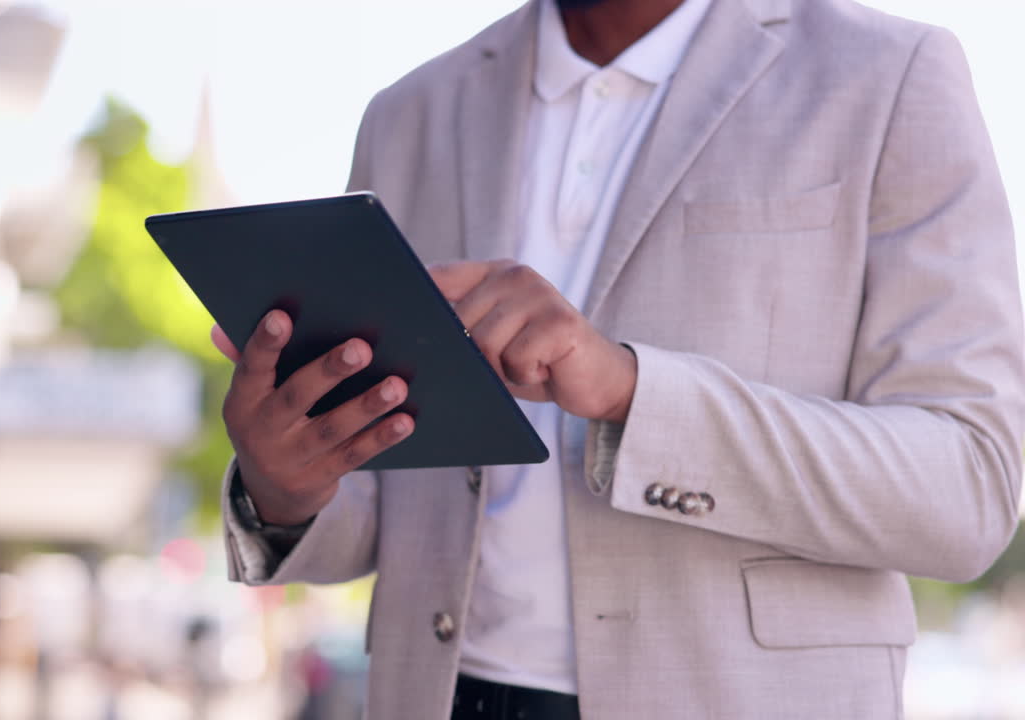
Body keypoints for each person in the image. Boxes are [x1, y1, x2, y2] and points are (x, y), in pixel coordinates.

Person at [215, 0, 1025, 717]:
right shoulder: (410, 114)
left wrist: (636, 393)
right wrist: (286, 490)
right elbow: (388, 497)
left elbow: (971, 485)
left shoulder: (887, 77)